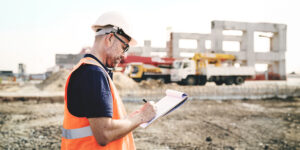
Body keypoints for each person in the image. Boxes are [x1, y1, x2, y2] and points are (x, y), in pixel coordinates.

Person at [61, 12, 157, 150]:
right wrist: (142, 116)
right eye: (124, 47)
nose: (124, 55)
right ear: (110, 38)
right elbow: (104, 133)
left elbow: (102, 123)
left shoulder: (89, 70)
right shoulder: (93, 73)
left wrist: (129, 119)